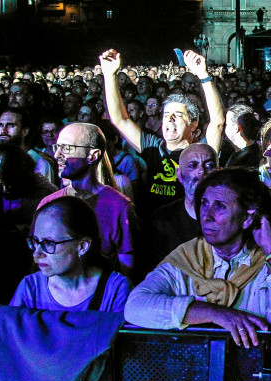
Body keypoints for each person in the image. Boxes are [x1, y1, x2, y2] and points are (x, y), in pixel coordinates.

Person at [124, 169, 271, 346]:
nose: (207, 215)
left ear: (247, 218)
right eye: (204, 203)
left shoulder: (269, 264)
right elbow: (135, 307)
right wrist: (214, 313)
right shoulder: (188, 257)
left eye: (219, 206)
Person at [99, 48, 224, 214]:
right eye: (166, 114)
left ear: (193, 124)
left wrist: (204, 76)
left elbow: (218, 123)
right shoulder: (153, 147)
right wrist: (109, 75)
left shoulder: (200, 151)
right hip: (156, 229)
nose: (170, 119)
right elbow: (120, 120)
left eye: (178, 115)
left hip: (188, 232)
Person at [39, 123, 139, 275]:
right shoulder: (48, 204)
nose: (57, 155)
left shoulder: (118, 206)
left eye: (66, 148)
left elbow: (127, 272)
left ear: (93, 156)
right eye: (57, 147)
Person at [11, 196, 131, 311]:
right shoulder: (30, 288)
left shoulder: (116, 291)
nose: (36, 254)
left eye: (48, 243)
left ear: (82, 246)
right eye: (35, 241)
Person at [151, 143, 218, 265]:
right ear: (179, 175)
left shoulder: (231, 218)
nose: (201, 171)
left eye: (209, 165)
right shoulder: (162, 219)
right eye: (193, 165)